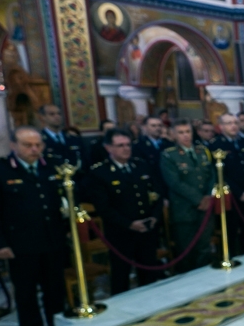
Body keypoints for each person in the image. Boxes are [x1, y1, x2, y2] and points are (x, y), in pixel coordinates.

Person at [0, 127, 66, 326]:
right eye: (28, 145)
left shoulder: (52, 167)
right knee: (26, 291)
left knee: (54, 288)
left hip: (52, 239)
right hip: (20, 243)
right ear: (13, 146)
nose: (34, 149)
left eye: (38, 145)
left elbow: (60, 201)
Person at [88, 129, 162, 295]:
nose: (126, 148)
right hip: (121, 232)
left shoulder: (141, 165)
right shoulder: (100, 173)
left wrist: (155, 218)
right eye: (120, 145)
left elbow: (156, 194)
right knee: (121, 276)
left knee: (149, 273)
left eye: (128, 144)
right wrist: (129, 224)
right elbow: (104, 208)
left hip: (147, 228)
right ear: (109, 148)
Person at [161, 119, 214, 272]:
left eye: (188, 131)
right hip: (184, 209)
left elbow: (211, 176)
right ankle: (187, 285)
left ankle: (205, 280)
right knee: (186, 249)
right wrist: (198, 199)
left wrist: (208, 196)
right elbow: (175, 183)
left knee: (204, 247)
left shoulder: (202, 151)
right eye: (181, 132)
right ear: (173, 135)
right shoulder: (169, 155)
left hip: (204, 207)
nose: (185, 136)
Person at [211, 113, 244, 254]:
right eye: (229, 123)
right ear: (221, 126)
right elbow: (220, 174)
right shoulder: (217, 145)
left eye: (235, 123)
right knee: (232, 232)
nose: (233, 126)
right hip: (232, 196)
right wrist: (239, 193)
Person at [133, 115, 173, 194]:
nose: (157, 128)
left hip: (169, 185)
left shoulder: (169, 144)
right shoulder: (138, 146)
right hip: (151, 186)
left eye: (159, 125)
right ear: (145, 127)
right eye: (153, 126)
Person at [38, 105, 83, 170]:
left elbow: (84, 160)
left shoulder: (74, 138)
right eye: (52, 114)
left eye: (59, 114)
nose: (57, 116)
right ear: (43, 117)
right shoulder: (39, 140)